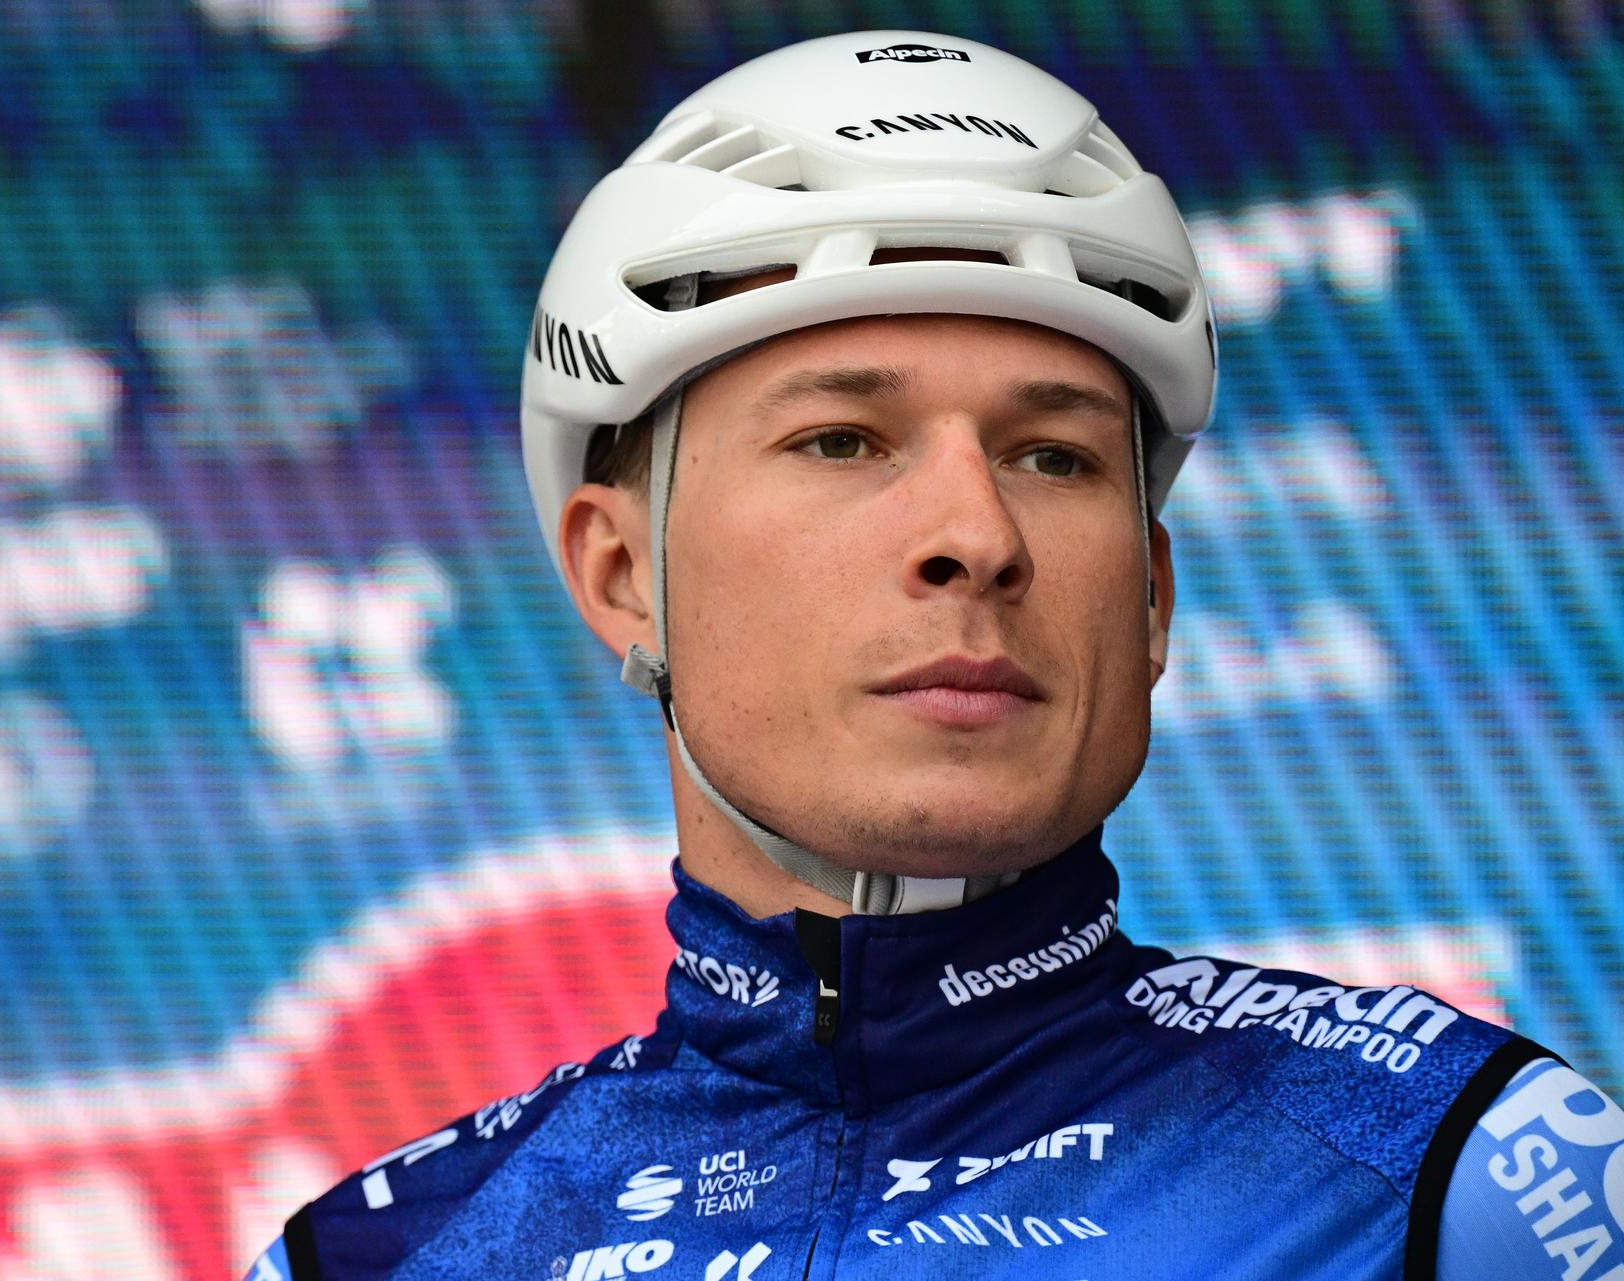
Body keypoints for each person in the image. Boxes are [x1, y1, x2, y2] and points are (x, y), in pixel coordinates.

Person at [244, 30, 1622, 1280]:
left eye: (1055, 453)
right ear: (622, 576)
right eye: (842, 439)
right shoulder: (383, 1256)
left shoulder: (1465, 1176)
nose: (977, 533)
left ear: (1150, 595)